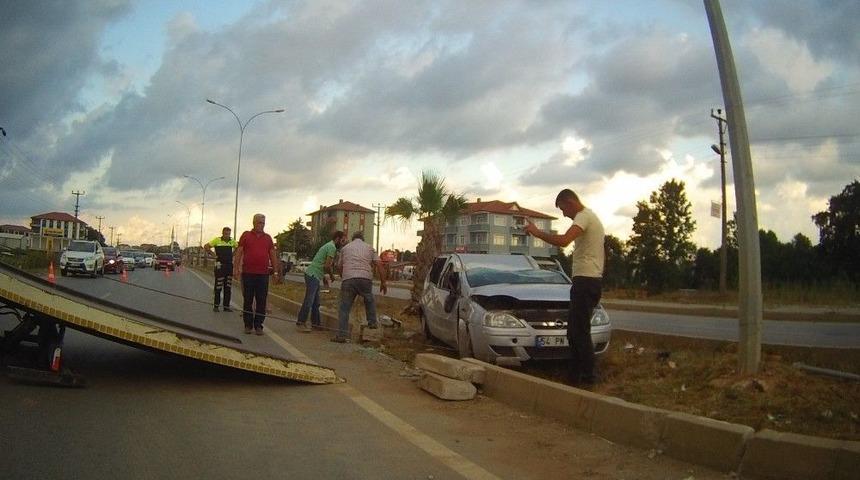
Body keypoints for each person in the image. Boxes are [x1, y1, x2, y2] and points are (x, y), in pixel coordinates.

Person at [524, 189, 604, 386]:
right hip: (587, 279)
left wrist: (537, 233)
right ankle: (575, 376)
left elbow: (564, 240)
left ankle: (588, 376)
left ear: (569, 202)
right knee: (574, 331)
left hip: (586, 280)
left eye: (562, 209)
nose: (563, 214)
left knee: (580, 331)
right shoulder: (591, 218)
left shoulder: (584, 217)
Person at [332, 231, 387, 343]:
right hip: (365, 279)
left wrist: (344, 277)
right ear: (363, 239)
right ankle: (372, 323)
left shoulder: (345, 248)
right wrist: (383, 282)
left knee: (344, 308)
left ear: (353, 239)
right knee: (369, 300)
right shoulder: (369, 248)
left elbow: (339, 266)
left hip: (349, 279)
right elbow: (380, 265)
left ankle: (342, 335)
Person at [233, 214, 281, 335]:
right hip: (248, 273)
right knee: (248, 300)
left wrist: (275, 271)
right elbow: (239, 252)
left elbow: (272, 255)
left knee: (261, 301)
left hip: (263, 275)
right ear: (254, 222)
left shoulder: (268, 238)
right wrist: (236, 269)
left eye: (263, 223)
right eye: (260, 222)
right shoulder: (246, 235)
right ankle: (248, 325)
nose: (262, 225)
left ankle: (258, 325)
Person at [296, 231, 346, 333]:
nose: (343, 243)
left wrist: (323, 278)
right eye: (342, 240)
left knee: (316, 302)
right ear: (337, 239)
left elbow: (321, 263)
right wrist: (331, 276)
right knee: (309, 300)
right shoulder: (332, 248)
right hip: (313, 275)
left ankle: (316, 323)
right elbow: (327, 266)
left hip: (314, 274)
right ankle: (301, 322)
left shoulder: (328, 245)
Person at [204, 227, 238, 312]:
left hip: (229, 266)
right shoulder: (217, 240)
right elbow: (206, 246)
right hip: (220, 266)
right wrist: (213, 254)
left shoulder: (232, 241)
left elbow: (239, 247)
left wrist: (233, 254)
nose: (227, 235)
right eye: (226, 234)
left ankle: (226, 307)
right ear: (222, 233)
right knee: (218, 286)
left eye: (229, 234)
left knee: (228, 287)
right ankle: (216, 306)